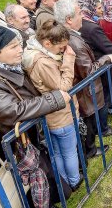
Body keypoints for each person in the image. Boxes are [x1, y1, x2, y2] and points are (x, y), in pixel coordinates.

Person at [0, 25, 72, 204]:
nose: (20, 49)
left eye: (19, 44)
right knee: (28, 192)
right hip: (15, 148)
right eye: (13, 46)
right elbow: (13, 110)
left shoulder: (9, 67)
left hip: (28, 138)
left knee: (49, 185)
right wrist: (55, 99)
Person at [22, 21, 83, 190]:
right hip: (61, 115)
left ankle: (64, 182)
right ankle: (74, 181)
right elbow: (63, 88)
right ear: (47, 43)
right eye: (61, 48)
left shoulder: (40, 54)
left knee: (57, 152)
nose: (63, 50)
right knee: (68, 152)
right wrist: (69, 60)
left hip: (53, 115)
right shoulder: (43, 62)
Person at [54, 0, 112, 158]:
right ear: (69, 19)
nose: (82, 16)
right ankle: (89, 150)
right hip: (84, 92)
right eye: (79, 13)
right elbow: (89, 71)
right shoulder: (73, 42)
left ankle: (89, 148)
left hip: (83, 91)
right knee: (88, 122)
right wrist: (106, 58)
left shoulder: (71, 36)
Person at [72, 0, 112, 136]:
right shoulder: (91, 27)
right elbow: (111, 49)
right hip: (98, 67)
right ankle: (102, 128)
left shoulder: (85, 23)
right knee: (103, 99)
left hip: (87, 68)